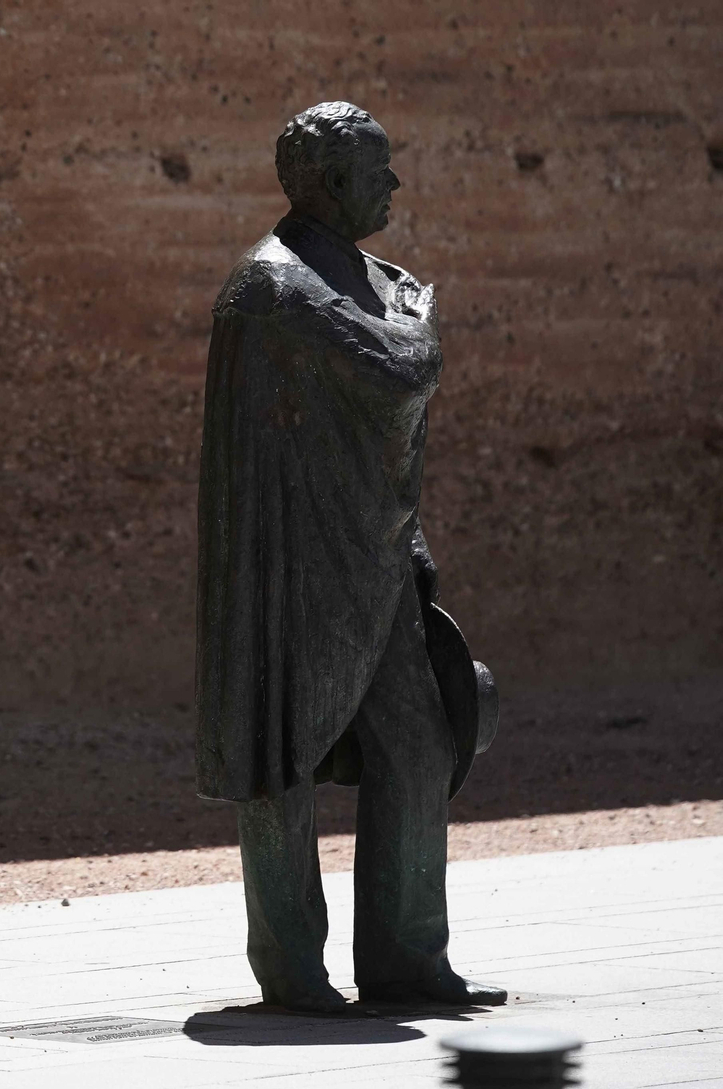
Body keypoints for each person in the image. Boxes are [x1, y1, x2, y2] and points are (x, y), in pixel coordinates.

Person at [194, 102, 506, 1012]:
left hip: (378, 565)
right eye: (379, 170)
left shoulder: (375, 281)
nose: (394, 184)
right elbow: (403, 368)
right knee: (280, 758)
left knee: (417, 746)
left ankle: (409, 955)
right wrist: (417, 320)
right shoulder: (272, 290)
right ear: (329, 183)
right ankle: (291, 965)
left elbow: (392, 420)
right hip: (289, 573)